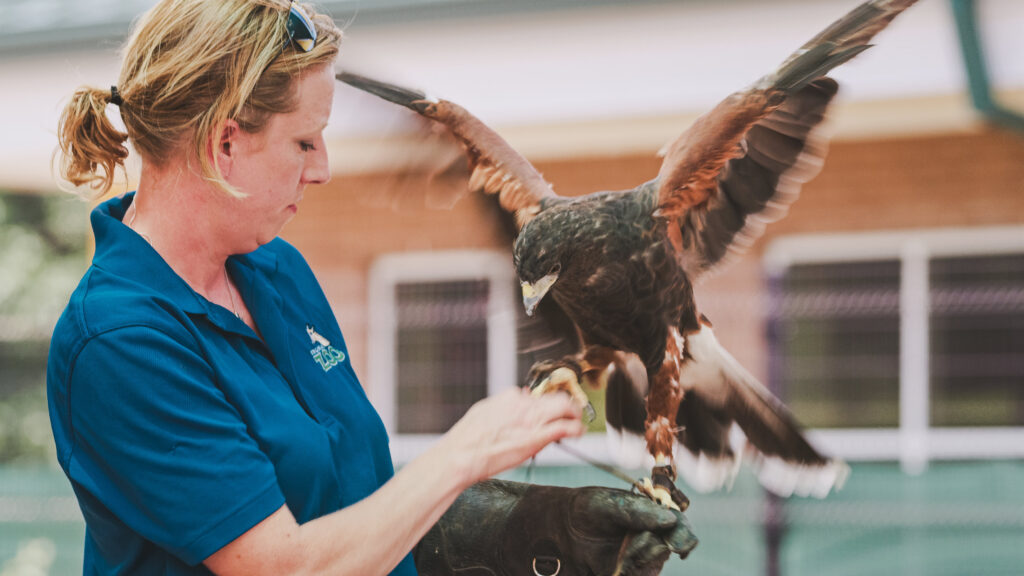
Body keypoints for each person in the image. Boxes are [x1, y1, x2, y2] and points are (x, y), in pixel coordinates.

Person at [48, 1, 697, 574]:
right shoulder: (119, 343)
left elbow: (348, 499)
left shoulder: (276, 271)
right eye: (305, 141)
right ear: (224, 143)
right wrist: (464, 455)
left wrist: (516, 531)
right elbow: (285, 568)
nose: (324, 169)